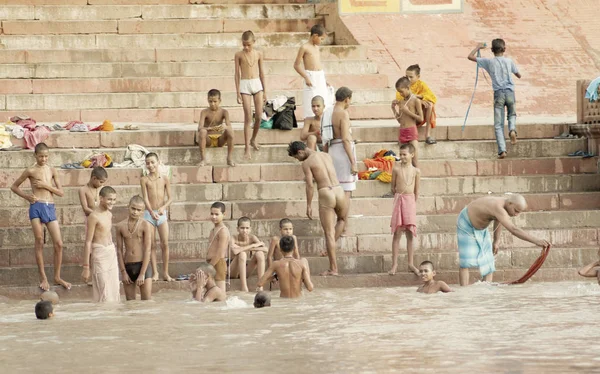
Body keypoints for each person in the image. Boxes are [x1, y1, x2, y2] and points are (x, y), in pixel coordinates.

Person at [10, 142, 71, 291]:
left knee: (59, 243)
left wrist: (45, 185)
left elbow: (60, 192)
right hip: (36, 207)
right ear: (35, 155)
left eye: (46, 156)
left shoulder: (51, 170)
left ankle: (57, 277)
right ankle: (43, 278)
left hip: (50, 206)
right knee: (39, 240)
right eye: (41, 156)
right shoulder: (30, 170)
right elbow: (14, 186)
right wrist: (27, 197)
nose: (43, 159)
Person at [457, 194, 551, 286]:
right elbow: (513, 230)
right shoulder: (498, 206)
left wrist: (496, 241)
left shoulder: (505, 206)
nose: (516, 214)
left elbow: (498, 219)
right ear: (510, 203)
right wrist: (536, 241)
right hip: (466, 223)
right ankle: (464, 292)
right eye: (516, 211)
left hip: (482, 228)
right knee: (466, 262)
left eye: (519, 212)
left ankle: (486, 288)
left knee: (489, 262)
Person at [288, 141, 348, 276]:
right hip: (339, 190)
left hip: (326, 192)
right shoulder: (326, 155)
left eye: (297, 158)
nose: (298, 161)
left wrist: (308, 205)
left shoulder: (307, 163)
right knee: (342, 220)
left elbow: (309, 185)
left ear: (300, 152)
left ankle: (333, 268)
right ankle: (329, 249)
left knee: (329, 233)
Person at [468, 39, 521, 159]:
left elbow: (470, 57)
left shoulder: (488, 62)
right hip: (510, 92)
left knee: (498, 124)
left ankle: (502, 150)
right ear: (504, 49)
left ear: (492, 50)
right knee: (512, 115)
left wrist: (478, 47)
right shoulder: (509, 61)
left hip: (498, 94)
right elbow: (518, 75)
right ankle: (512, 129)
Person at [322, 87, 357, 236]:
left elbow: (323, 137)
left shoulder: (327, 113)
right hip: (343, 154)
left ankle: (341, 224)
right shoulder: (343, 113)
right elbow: (345, 140)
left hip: (332, 151)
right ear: (347, 99)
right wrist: (353, 162)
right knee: (346, 192)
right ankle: (343, 225)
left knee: (336, 189)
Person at [81, 186, 120, 303]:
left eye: (114, 199)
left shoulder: (109, 214)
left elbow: (108, 234)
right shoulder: (93, 216)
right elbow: (88, 241)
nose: (112, 202)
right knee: (103, 290)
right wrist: (86, 267)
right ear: (101, 198)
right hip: (99, 253)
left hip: (110, 252)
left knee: (114, 289)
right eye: (109, 199)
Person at [140, 152, 173, 282]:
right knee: (151, 244)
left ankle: (166, 272)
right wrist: (151, 211)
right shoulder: (144, 179)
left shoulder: (165, 178)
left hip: (161, 214)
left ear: (158, 162)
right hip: (149, 214)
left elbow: (170, 198)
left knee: (165, 243)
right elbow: (145, 198)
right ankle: (155, 272)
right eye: (148, 163)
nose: (150, 165)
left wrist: (163, 207)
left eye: (152, 162)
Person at [389, 143, 421, 276]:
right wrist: (398, 197)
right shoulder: (396, 169)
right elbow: (392, 187)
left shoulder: (416, 171)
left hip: (410, 201)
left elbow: (417, 191)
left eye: (404, 154)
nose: (402, 157)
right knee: (397, 232)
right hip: (399, 200)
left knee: (409, 233)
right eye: (400, 154)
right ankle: (395, 264)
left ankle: (410, 263)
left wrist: (411, 203)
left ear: (412, 155)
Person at [234, 30, 266, 159]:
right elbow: (237, 74)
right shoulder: (238, 55)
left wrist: (265, 91)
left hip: (257, 83)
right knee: (247, 116)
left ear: (254, 42)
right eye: (244, 44)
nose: (246, 47)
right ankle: (246, 147)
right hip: (245, 84)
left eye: (249, 45)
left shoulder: (259, 54)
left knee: (258, 116)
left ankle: (253, 139)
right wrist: (237, 92)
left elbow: (262, 73)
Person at [116, 195, 153, 301]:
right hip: (128, 267)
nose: (135, 212)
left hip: (143, 266)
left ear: (142, 211)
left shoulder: (145, 225)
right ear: (128, 207)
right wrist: (123, 272)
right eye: (133, 208)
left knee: (146, 302)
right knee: (130, 304)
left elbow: (147, 250)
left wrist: (142, 274)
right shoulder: (120, 226)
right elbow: (119, 250)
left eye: (138, 210)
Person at [294, 24, 330, 119]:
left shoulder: (317, 47)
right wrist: (306, 77)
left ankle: (323, 122)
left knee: (323, 99)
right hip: (310, 76)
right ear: (315, 36)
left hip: (320, 76)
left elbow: (318, 63)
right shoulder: (304, 47)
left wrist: (324, 80)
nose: (321, 41)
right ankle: (309, 123)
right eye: (321, 39)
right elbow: (296, 65)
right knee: (311, 99)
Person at [396, 64, 438, 144]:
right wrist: (415, 100)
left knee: (430, 104)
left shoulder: (421, 84)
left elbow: (432, 97)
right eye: (406, 76)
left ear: (418, 76)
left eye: (411, 77)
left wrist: (419, 98)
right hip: (408, 116)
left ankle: (427, 136)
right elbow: (400, 99)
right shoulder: (404, 84)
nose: (408, 79)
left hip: (420, 116)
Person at [197, 89, 235, 167]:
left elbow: (229, 126)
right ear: (207, 100)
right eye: (210, 101)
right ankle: (203, 159)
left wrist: (225, 127)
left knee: (230, 131)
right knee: (202, 132)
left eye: (215, 101)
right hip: (208, 139)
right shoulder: (204, 112)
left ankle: (229, 158)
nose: (213, 104)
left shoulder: (224, 112)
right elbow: (200, 128)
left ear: (220, 100)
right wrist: (210, 129)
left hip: (220, 139)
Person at [392, 76, 424, 168]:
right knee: (403, 161)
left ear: (407, 88)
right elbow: (400, 120)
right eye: (399, 92)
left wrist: (408, 112)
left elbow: (420, 118)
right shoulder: (402, 102)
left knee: (414, 161)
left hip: (411, 131)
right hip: (402, 131)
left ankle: (416, 181)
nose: (400, 94)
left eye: (402, 91)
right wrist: (393, 109)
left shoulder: (416, 100)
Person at [231, 217, 267, 292]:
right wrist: (252, 246)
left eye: (247, 228)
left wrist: (245, 248)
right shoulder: (233, 238)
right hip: (232, 270)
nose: (245, 231)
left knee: (260, 254)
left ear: (250, 229)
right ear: (237, 229)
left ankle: (260, 286)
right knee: (242, 254)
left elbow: (265, 249)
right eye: (242, 228)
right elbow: (235, 251)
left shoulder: (252, 237)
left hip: (244, 269)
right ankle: (244, 287)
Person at [206, 202, 231, 293]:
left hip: (218, 263)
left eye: (217, 214)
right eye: (212, 214)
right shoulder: (213, 229)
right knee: (211, 292)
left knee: (220, 294)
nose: (214, 217)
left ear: (224, 214)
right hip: (211, 263)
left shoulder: (223, 231)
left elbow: (220, 253)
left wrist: (209, 267)